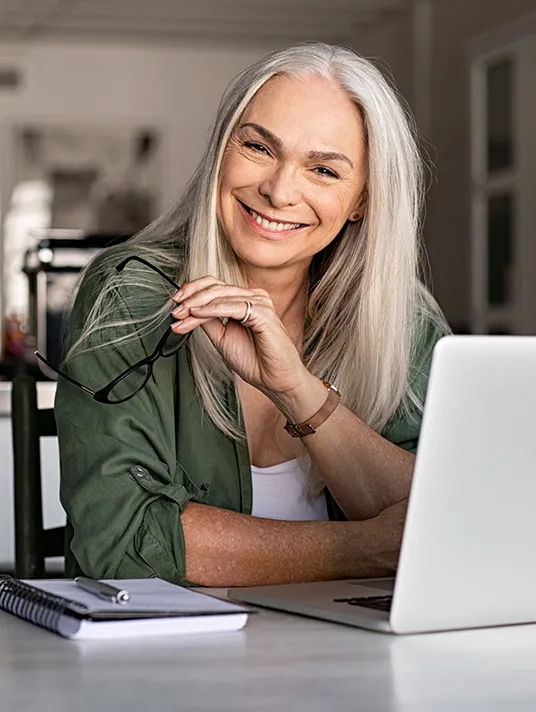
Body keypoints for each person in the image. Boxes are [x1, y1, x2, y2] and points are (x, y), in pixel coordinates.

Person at [51, 42, 449, 587]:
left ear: (362, 200)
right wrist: (364, 548)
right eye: (260, 147)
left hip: (359, 656)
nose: (279, 191)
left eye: (324, 171)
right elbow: (122, 543)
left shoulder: (402, 319)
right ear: (222, 149)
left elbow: (452, 528)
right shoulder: (131, 293)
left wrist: (298, 392)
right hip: (161, 661)